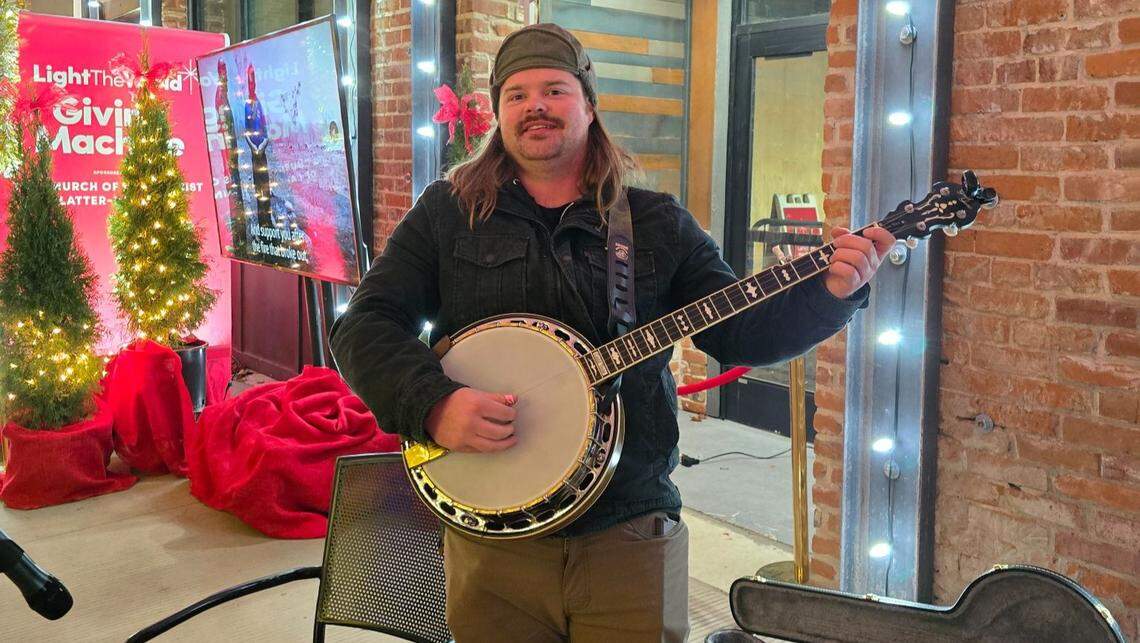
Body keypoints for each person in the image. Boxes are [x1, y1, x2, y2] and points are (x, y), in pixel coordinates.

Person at [330, 23, 894, 643]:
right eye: (516, 95)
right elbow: (364, 323)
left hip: (629, 528)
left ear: (589, 105)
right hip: (492, 536)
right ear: (499, 114)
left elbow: (742, 335)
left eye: (555, 90)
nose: (535, 106)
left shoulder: (656, 222)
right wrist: (433, 403)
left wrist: (829, 294)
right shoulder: (449, 213)